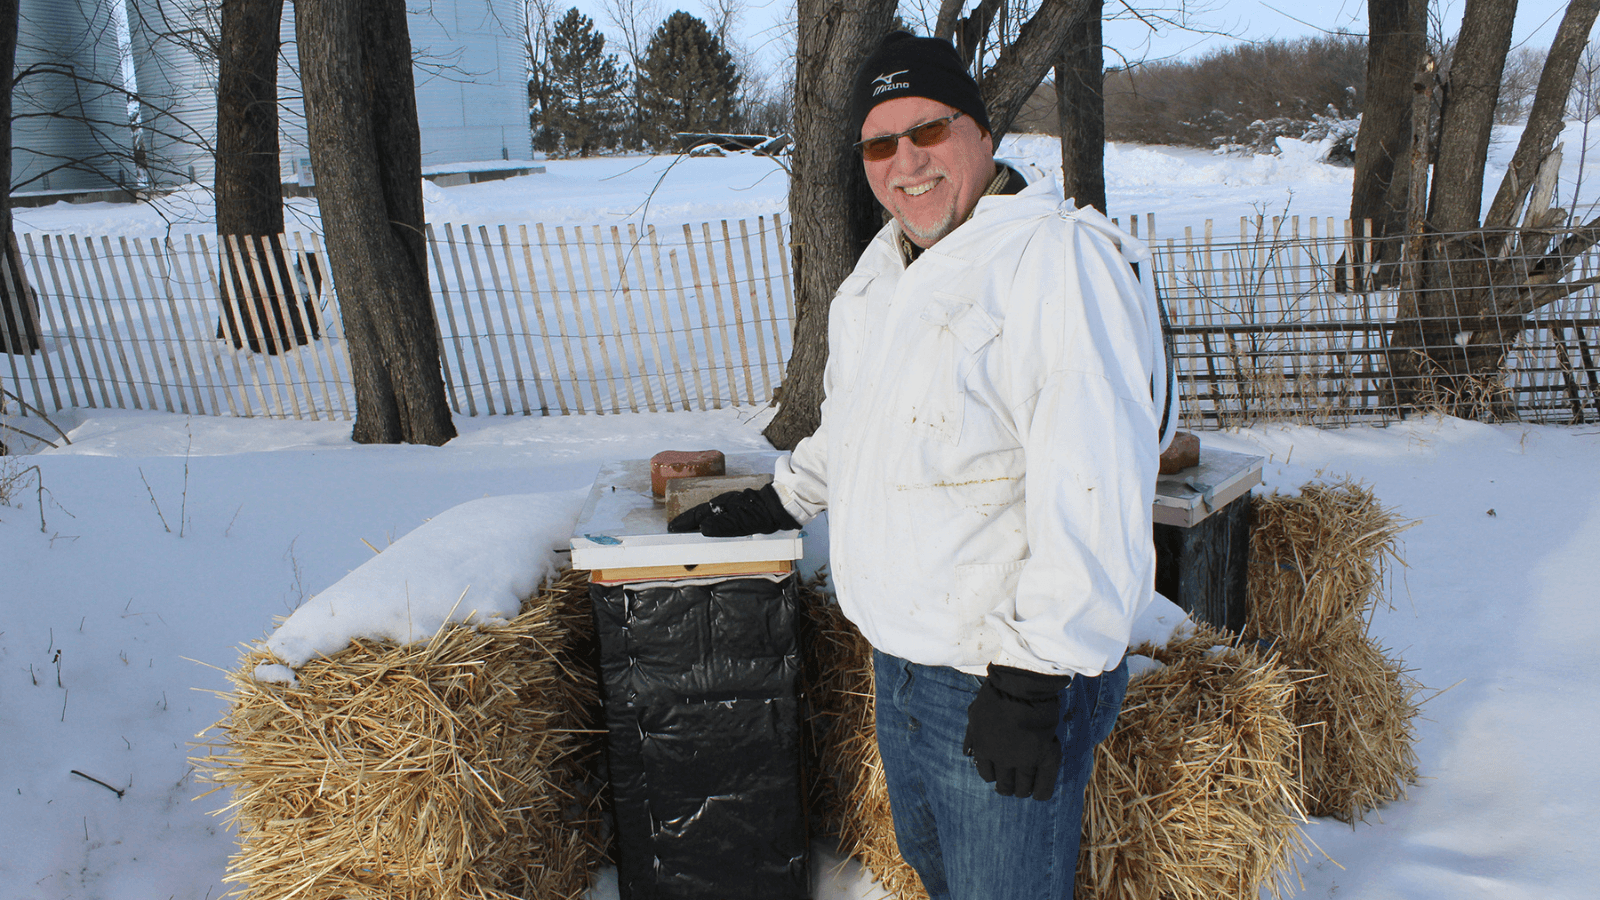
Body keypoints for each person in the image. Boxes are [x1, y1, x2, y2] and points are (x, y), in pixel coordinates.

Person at [671, 30, 1174, 900]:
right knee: (946, 879)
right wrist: (782, 499)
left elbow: (1093, 480)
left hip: (1000, 670)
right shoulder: (880, 274)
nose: (906, 161)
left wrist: (1033, 679)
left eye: (929, 131)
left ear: (981, 133)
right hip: (902, 661)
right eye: (879, 143)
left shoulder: (1050, 261)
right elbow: (858, 427)